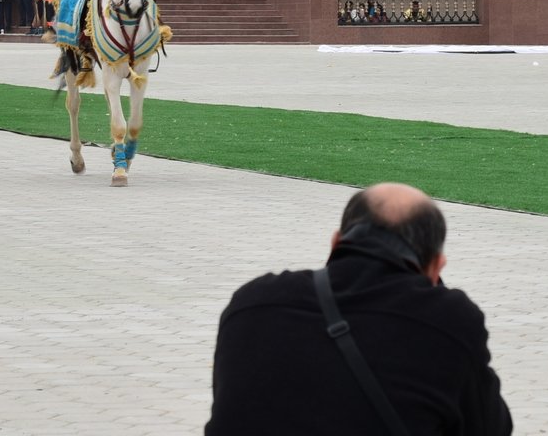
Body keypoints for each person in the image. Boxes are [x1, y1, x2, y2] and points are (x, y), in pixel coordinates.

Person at [206, 182, 511, 436]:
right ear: (435, 266)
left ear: (337, 242)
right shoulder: (448, 319)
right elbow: (490, 427)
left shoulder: (252, 302)